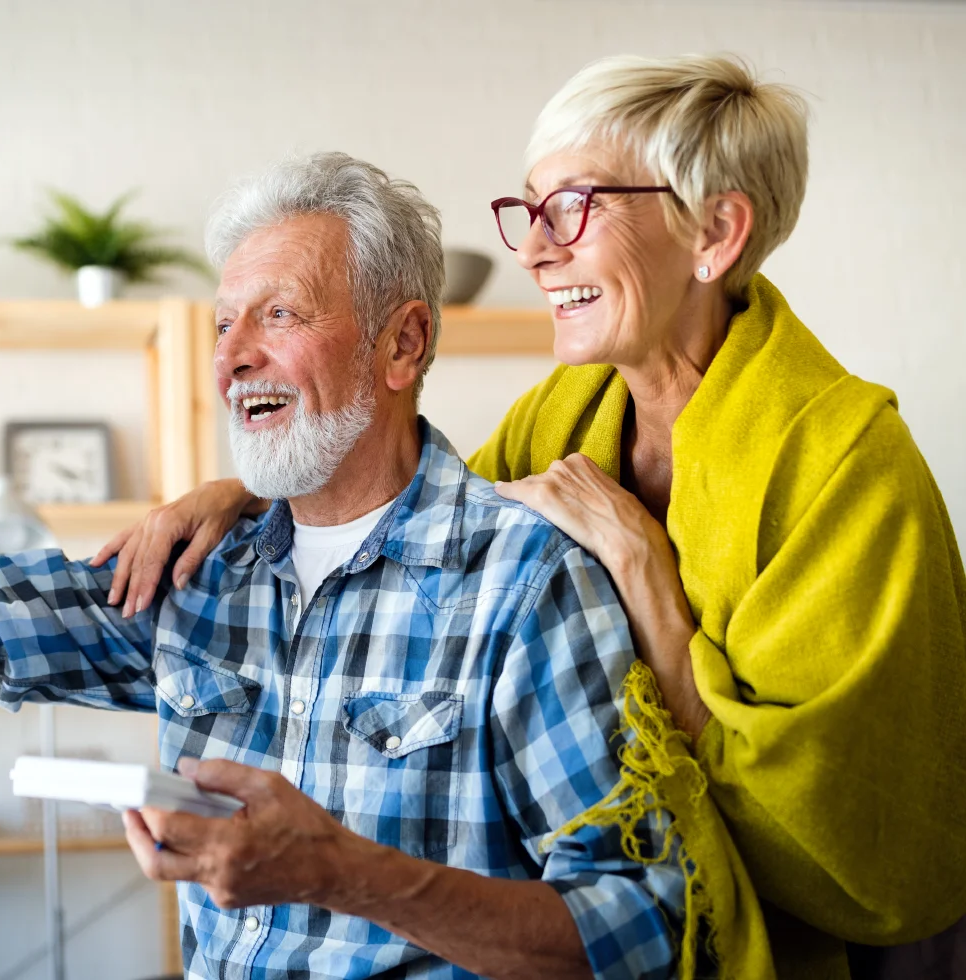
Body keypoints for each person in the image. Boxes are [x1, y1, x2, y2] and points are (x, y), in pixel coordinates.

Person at [0, 153, 687, 980]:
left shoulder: (523, 581)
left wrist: (346, 874)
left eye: (279, 314)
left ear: (402, 343)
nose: (232, 354)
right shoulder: (200, 570)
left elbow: (641, 926)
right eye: (223, 321)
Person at [94, 55, 966, 979]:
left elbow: (853, 849)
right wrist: (257, 494)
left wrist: (646, 579)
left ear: (714, 231)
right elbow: (421, 519)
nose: (535, 249)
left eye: (576, 207)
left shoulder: (848, 463)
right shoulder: (563, 414)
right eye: (532, 209)